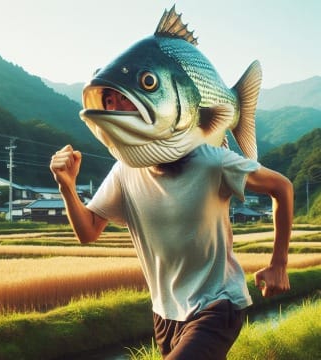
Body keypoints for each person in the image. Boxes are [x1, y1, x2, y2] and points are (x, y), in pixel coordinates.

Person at [50, 92, 293, 360]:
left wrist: (279, 264)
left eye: (124, 98)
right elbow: (88, 231)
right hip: (166, 314)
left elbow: (281, 187)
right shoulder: (124, 171)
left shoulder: (212, 161)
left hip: (216, 304)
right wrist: (67, 186)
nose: (117, 108)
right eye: (109, 102)